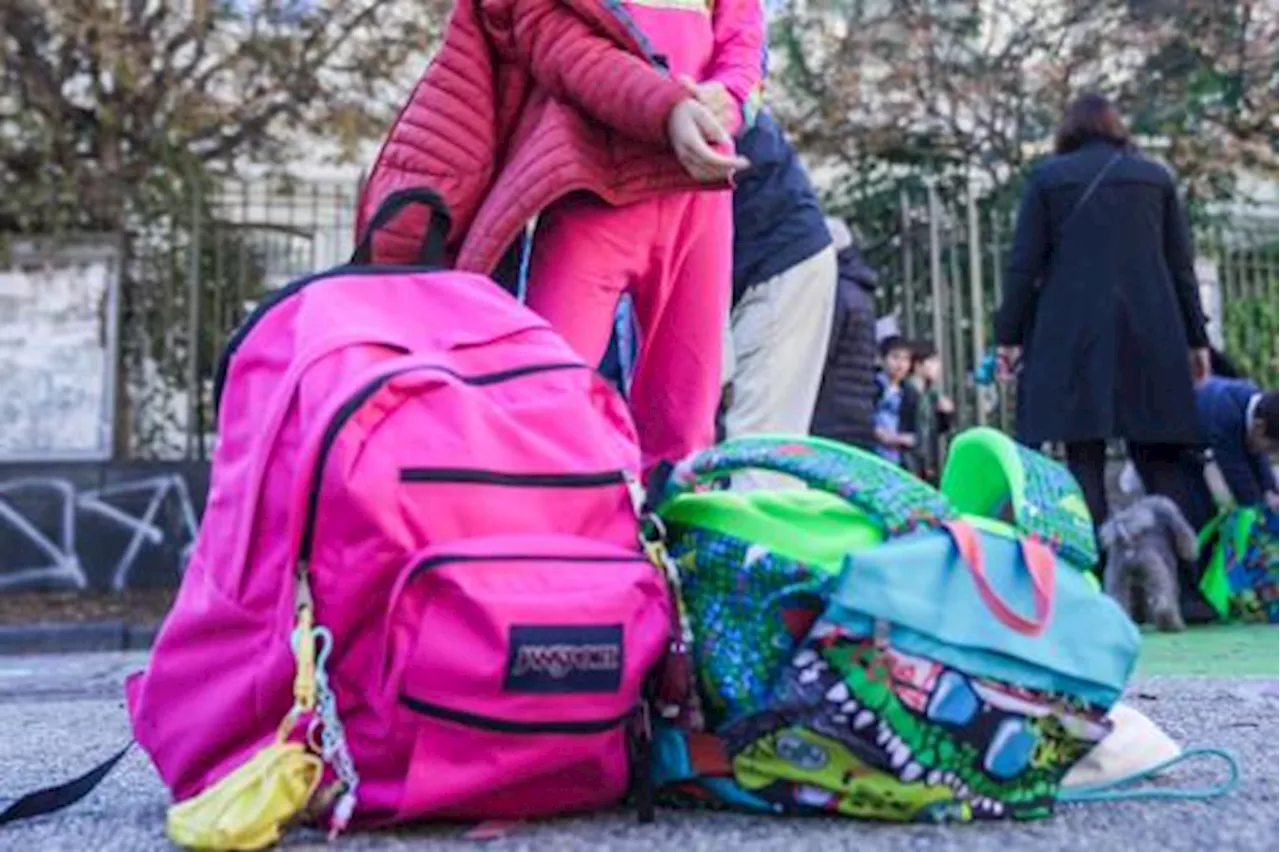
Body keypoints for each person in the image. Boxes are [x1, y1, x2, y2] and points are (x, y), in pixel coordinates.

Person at [357, 0, 764, 480]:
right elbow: (559, 46)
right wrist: (667, 108)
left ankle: (669, 542)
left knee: (685, 428)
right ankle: (527, 529)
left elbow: (744, 39)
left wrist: (729, 97)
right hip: (593, 185)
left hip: (698, 196)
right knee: (544, 397)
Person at [994, 93, 1213, 549]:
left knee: (1082, 454)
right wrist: (1197, 340)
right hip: (1151, 329)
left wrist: (1009, 335)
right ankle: (1185, 581)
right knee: (1159, 455)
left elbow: (1023, 265)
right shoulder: (1155, 178)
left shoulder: (1048, 180)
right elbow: (1180, 267)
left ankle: (1088, 572)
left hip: (1072, 333)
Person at [721, 109, 837, 481]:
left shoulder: (712, 78)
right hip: (757, 256)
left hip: (774, 259)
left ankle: (753, 537)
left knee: (759, 450)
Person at [810, 219, 880, 452]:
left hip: (831, 412)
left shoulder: (836, 290)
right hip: (859, 413)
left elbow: (822, 350)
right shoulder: (861, 290)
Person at [1196, 380, 1280, 509]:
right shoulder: (1225, 417)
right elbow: (1238, 476)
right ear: (1260, 426)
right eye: (1272, 447)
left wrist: (1270, 490)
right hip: (1177, 441)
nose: (1270, 452)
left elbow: (1258, 455)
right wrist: (1259, 507)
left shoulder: (1258, 408)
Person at [907, 341, 955, 484]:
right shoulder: (909, 392)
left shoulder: (931, 394)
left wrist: (947, 414)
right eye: (933, 361)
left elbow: (937, 429)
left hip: (926, 464)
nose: (938, 367)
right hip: (911, 462)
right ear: (918, 365)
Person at [874, 336, 918, 466]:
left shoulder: (911, 393)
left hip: (898, 459)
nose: (900, 364)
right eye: (895, 357)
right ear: (882, 359)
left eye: (905, 359)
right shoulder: (870, 386)